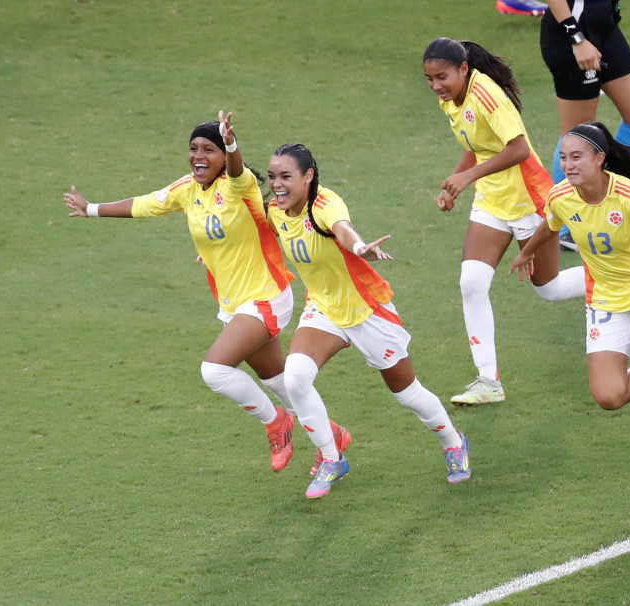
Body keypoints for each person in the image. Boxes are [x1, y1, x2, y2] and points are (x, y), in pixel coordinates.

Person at [64, 113, 351, 476]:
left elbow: (234, 170)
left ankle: (278, 424)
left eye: (209, 149)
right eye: (193, 148)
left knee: (214, 371)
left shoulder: (238, 185)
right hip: (235, 303)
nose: (199, 156)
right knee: (278, 381)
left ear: (223, 155)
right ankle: (333, 435)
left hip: (265, 297)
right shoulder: (187, 189)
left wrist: (231, 145)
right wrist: (91, 209)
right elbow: (145, 204)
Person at [509, 122, 630, 494]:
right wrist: (526, 252)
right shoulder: (561, 197)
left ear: (600, 159)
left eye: (577, 157)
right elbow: (552, 226)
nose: (567, 164)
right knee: (608, 397)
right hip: (605, 298)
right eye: (563, 157)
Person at [265, 143, 471, 499]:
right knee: (296, 378)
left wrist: (360, 248)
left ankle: (453, 442)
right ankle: (332, 458)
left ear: (308, 176)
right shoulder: (275, 210)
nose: (277, 185)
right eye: (272, 177)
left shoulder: (324, 205)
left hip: (366, 310)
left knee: (407, 394)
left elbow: (343, 229)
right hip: (325, 309)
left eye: (286, 176)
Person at [423, 37, 586, 406]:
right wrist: (456, 181)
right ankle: (488, 381)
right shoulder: (451, 99)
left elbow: (519, 148)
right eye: (430, 79)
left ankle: (619, 279)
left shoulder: (487, 96)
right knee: (472, 282)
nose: (436, 86)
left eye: (442, 77)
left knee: (551, 288)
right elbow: (476, 141)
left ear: (464, 69)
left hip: (527, 199)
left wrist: (468, 177)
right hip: (492, 199)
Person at [539, 1, 630, 251]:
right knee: (577, 134)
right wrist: (577, 39)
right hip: (573, 34)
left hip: (605, 26)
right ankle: (564, 225)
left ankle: (616, 201)